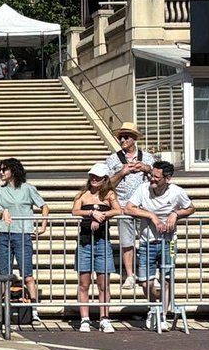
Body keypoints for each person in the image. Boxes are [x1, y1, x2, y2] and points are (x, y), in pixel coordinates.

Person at [125, 160, 194, 332]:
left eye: (156, 177)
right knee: (145, 281)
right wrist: (151, 216)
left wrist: (175, 213)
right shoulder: (143, 189)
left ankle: (162, 314)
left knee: (167, 278)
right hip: (147, 241)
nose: (152, 180)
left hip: (169, 241)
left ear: (167, 178)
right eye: (151, 176)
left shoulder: (176, 191)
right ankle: (153, 307)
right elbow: (128, 208)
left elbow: (191, 208)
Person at [0, 158, 49, 322]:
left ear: (13, 171)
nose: (1, 173)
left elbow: (44, 206)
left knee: (27, 274)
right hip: (4, 234)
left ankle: (33, 310)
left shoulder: (27, 188)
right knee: (4, 274)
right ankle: (3, 311)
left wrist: (43, 225)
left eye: (4, 169)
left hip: (23, 233)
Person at [105, 121, 158, 289]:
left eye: (126, 137)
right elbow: (106, 185)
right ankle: (130, 275)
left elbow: (159, 178)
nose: (122, 140)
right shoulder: (113, 159)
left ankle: (150, 273)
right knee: (126, 242)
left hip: (145, 207)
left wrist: (147, 169)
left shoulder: (148, 157)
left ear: (134, 139)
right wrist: (122, 172)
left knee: (148, 241)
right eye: (120, 137)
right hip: (123, 206)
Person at [71, 162, 121, 333]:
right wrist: (91, 213)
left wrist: (102, 215)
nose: (94, 179)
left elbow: (118, 211)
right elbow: (75, 211)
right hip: (85, 242)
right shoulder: (82, 195)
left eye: (98, 177)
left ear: (104, 178)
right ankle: (84, 318)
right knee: (84, 283)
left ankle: (104, 318)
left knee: (103, 283)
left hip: (103, 241)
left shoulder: (109, 195)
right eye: (92, 176)